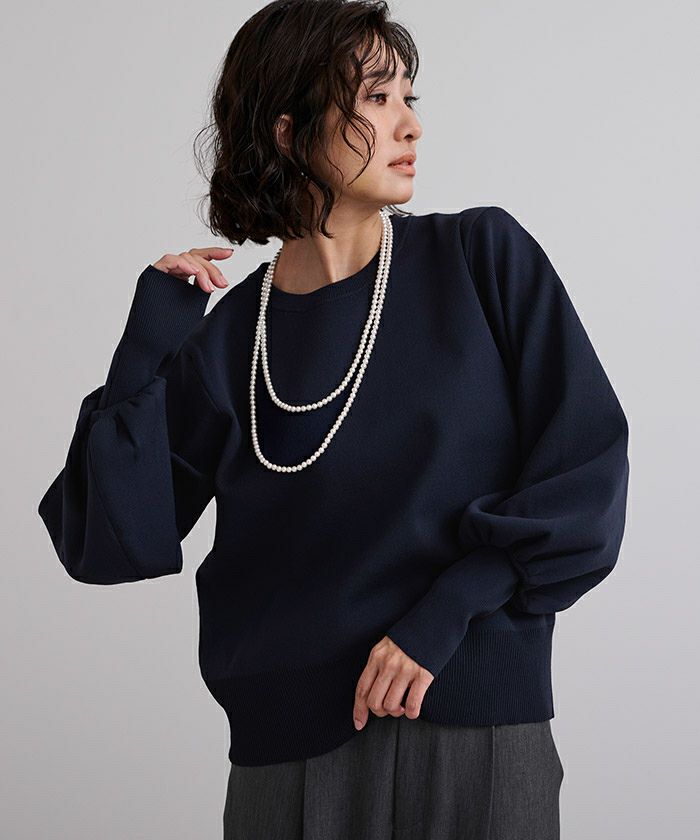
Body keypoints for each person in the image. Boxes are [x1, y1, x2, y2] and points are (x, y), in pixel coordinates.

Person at [37, 1, 630, 838]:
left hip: (473, 730)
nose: (409, 125)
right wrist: (147, 345)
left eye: (409, 99)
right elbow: (108, 543)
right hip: (289, 761)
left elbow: (586, 470)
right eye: (377, 99)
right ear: (289, 131)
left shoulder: (481, 259)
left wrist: (445, 615)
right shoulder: (230, 342)